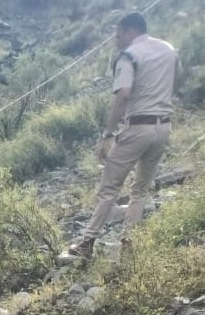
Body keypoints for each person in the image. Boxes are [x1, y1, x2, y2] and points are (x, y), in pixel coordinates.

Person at [67, 12, 182, 258]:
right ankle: (128, 245)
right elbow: (176, 84)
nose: (116, 40)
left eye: (118, 35)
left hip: (137, 127)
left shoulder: (129, 55)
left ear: (130, 31)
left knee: (109, 187)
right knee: (140, 188)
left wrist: (108, 134)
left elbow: (123, 94)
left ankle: (87, 243)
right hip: (163, 127)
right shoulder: (169, 50)